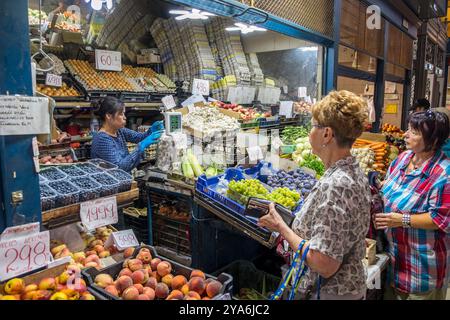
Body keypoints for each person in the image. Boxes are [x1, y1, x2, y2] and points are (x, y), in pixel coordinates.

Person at [258, 90, 371, 300]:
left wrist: (281, 227)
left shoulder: (337, 185)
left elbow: (324, 263)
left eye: (313, 125)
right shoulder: (350, 171)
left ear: (327, 134)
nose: (310, 132)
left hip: (330, 294)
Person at [375, 109, 450, 300]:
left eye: (414, 132)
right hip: (394, 260)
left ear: (433, 140)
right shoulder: (403, 158)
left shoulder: (444, 174)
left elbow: (440, 218)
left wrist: (402, 220)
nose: (405, 134)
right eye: (408, 129)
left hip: (421, 268)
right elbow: (389, 185)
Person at [90, 97, 163, 172]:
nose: (125, 117)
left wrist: (151, 130)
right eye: (121, 114)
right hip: (112, 181)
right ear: (108, 116)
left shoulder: (119, 131)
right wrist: (140, 147)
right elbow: (119, 168)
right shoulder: (102, 139)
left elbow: (138, 137)